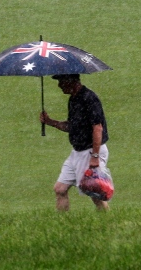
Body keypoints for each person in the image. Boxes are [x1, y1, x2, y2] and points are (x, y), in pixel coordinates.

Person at [40, 74, 110, 211]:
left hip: (90, 151)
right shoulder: (73, 99)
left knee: (95, 192)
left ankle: (107, 222)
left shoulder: (89, 98)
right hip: (77, 152)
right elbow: (72, 127)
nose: (59, 85)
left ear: (70, 81)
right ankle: (62, 225)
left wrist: (95, 157)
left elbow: (97, 128)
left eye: (61, 81)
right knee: (60, 189)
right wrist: (50, 122)